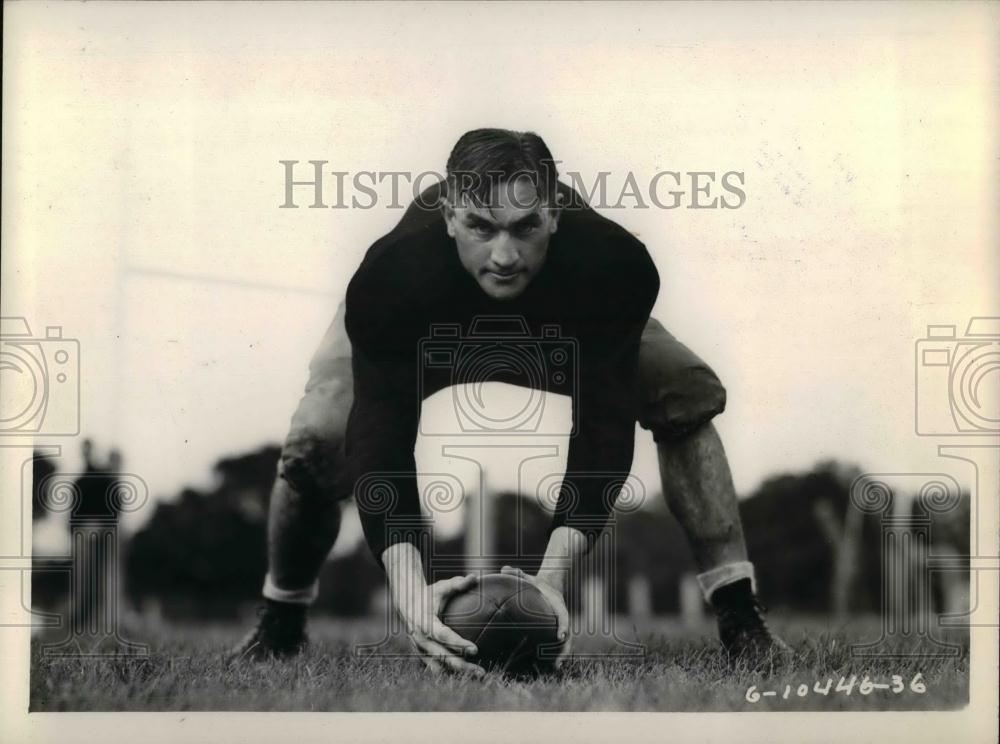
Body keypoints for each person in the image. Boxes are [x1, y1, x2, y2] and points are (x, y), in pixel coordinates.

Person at [231, 129, 788, 672]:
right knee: (320, 435)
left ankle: (740, 616)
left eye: (525, 228)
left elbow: (603, 428)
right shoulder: (393, 276)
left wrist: (549, 578)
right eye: (479, 226)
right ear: (449, 216)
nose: (503, 255)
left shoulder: (612, 267)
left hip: (556, 327)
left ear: (554, 214)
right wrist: (411, 594)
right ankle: (281, 617)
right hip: (429, 328)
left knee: (683, 388)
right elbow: (382, 436)